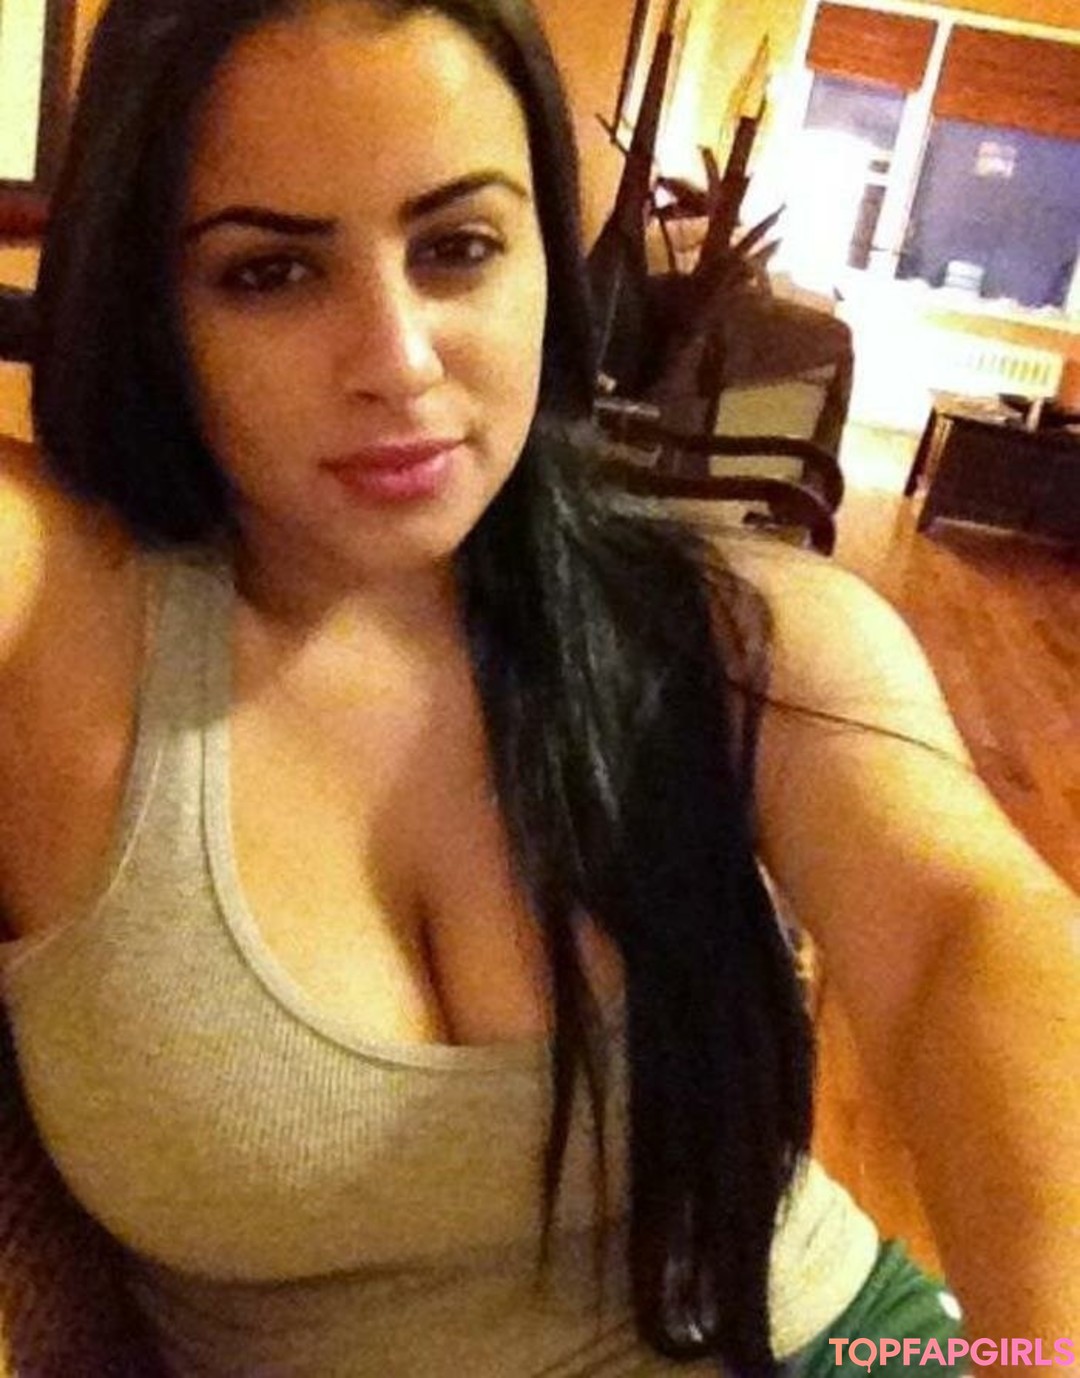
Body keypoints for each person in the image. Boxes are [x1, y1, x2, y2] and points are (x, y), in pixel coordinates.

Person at [0, 0, 1076, 1373]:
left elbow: (964, 939)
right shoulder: (63, 615)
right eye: (269, 272)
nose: (398, 361)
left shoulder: (742, 634)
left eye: (456, 247)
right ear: (150, 304)